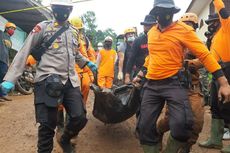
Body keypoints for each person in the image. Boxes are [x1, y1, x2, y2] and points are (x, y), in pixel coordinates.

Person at [133, 0, 230, 152]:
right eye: (162, 12)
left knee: (183, 125)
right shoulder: (152, 32)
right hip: (152, 84)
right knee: (144, 127)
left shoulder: (183, 30)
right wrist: (141, 72)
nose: (166, 16)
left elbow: (204, 55)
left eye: (169, 12)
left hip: (174, 83)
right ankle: (154, 142)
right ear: (155, 14)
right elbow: (152, 55)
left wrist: (223, 82)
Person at [0, 0, 97, 152]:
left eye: (65, 9)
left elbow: (75, 52)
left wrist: (86, 63)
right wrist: (10, 78)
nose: (61, 12)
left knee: (80, 118)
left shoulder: (73, 31)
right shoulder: (42, 27)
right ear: (53, 9)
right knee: (47, 126)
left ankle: (64, 139)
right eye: (58, 8)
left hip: (70, 80)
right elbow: (25, 50)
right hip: (47, 80)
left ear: (70, 10)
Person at [156, 12, 204, 153]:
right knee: (170, 120)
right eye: (186, 24)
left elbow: (205, 58)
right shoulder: (172, 40)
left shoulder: (197, 43)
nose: (188, 27)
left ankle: (185, 147)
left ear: (195, 28)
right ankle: (158, 132)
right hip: (174, 87)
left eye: (191, 25)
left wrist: (190, 63)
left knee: (196, 121)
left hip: (192, 88)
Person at [198, 0, 230, 152]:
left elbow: (222, 10)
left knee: (228, 105)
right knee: (215, 106)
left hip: (228, 71)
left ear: (219, 21)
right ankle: (215, 140)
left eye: (212, 22)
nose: (209, 24)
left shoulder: (226, 28)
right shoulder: (214, 37)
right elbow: (208, 58)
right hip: (217, 72)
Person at [69, 16, 96, 104]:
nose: (77, 32)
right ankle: (60, 115)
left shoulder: (85, 41)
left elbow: (90, 57)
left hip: (84, 72)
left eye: (79, 30)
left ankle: (81, 110)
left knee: (85, 88)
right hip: (68, 72)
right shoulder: (63, 39)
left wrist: (91, 73)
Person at [124, 15, 157, 84]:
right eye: (146, 25)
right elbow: (131, 58)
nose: (148, 27)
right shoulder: (138, 40)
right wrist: (127, 75)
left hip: (156, 71)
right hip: (140, 71)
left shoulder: (159, 39)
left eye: (150, 25)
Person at [0, 22, 16, 102]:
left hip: (5, 61)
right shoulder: (1, 34)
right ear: (6, 28)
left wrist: (9, 63)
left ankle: (2, 95)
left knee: (3, 78)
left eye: (14, 29)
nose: (13, 30)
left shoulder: (10, 41)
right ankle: (2, 95)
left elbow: (8, 53)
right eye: (11, 28)